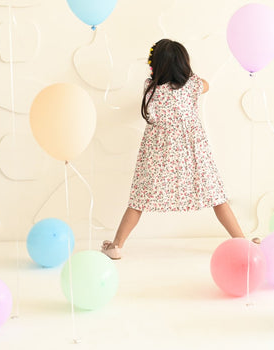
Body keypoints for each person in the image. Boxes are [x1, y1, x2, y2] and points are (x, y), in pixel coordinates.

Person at [101, 39, 256, 260]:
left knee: (137, 201)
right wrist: (189, 75)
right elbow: (207, 85)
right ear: (183, 64)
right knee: (217, 197)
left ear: (155, 65)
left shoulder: (150, 87)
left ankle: (116, 245)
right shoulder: (192, 85)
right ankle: (241, 241)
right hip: (192, 153)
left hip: (158, 154)